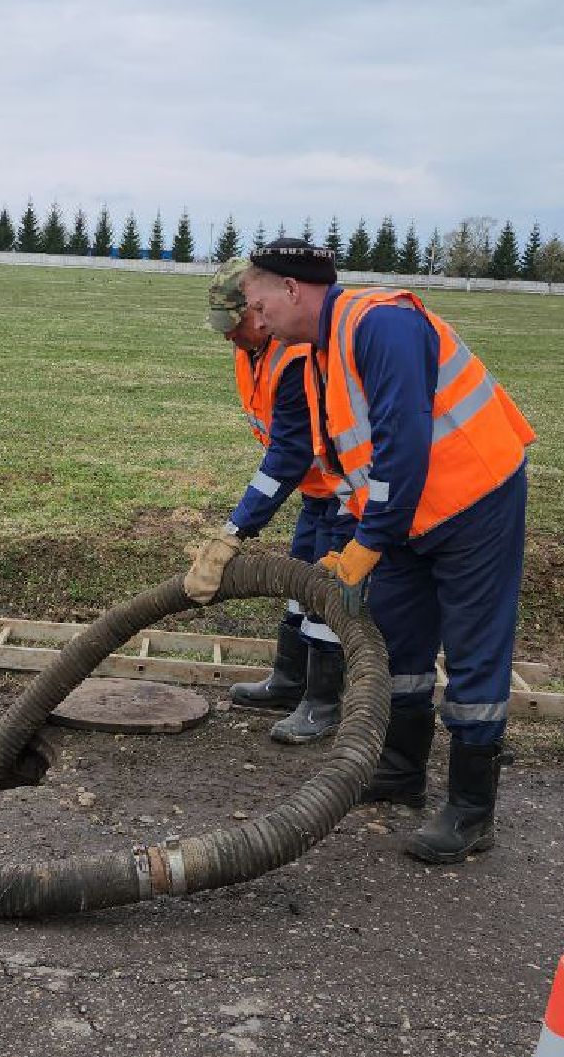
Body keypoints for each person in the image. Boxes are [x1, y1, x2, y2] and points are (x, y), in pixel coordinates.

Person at [234, 238, 537, 864]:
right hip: (400, 516)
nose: (256, 323)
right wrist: (356, 533)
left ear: (292, 289)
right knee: (398, 641)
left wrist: (367, 543)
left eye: (259, 306)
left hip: (473, 503)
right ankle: (401, 770)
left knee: (474, 651)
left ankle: (470, 811)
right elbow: (348, 458)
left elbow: (403, 445)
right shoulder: (319, 352)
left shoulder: (382, 323)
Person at [187, 257, 355, 743]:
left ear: (258, 312)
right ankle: (289, 680)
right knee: (299, 581)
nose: (229, 338)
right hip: (318, 491)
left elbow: (287, 456)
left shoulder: (294, 358)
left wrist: (235, 531)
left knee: (326, 592)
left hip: (350, 495)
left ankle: (322, 703)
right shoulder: (252, 350)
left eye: (234, 325)